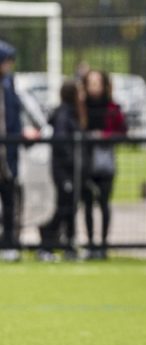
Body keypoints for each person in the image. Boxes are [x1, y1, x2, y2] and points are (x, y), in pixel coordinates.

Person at [81, 69, 127, 259]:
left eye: (97, 82)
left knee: (104, 202)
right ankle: (90, 243)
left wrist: (105, 137)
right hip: (85, 160)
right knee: (87, 204)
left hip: (105, 161)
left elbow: (122, 131)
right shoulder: (81, 107)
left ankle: (103, 245)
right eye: (90, 82)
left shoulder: (112, 107)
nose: (94, 86)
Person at [38, 81, 85, 261]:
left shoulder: (68, 113)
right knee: (63, 208)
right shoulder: (64, 114)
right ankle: (46, 244)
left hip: (65, 169)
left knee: (69, 208)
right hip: (64, 170)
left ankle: (68, 246)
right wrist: (70, 164)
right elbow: (61, 142)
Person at [0, 39, 22, 262]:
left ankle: (8, 245)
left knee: (9, 201)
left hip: (6, 154)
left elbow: (15, 117)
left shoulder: (9, 84)